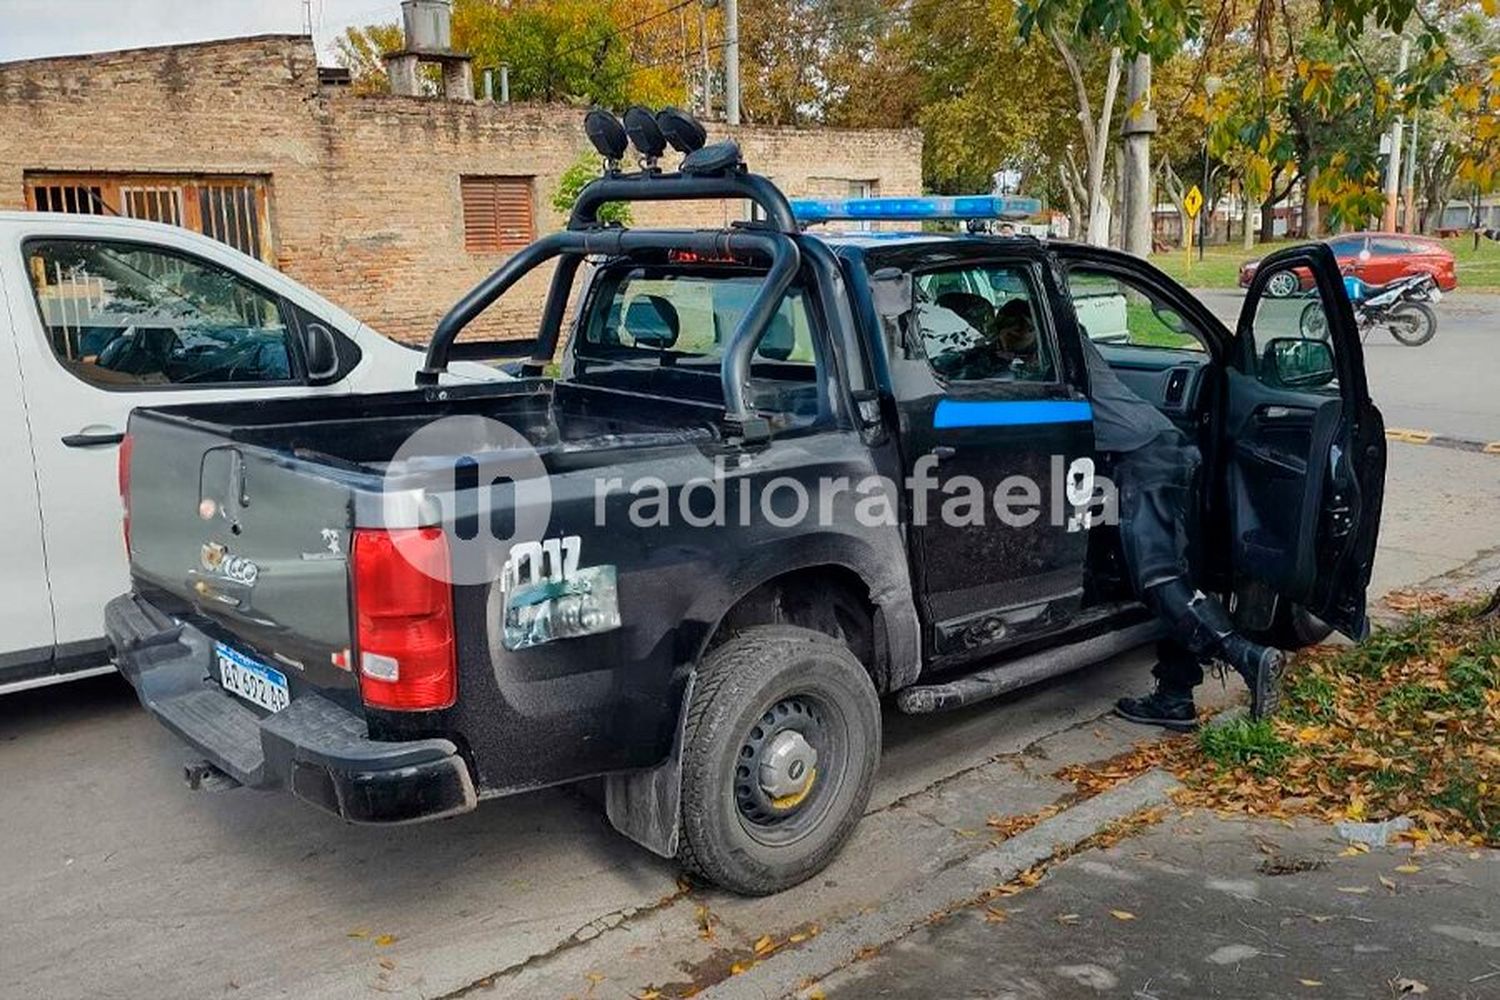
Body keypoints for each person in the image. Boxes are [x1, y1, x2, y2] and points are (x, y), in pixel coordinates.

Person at [1077, 330, 1285, 730]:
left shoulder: (1046, 338)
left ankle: (1247, 656)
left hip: (1142, 457)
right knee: (1176, 575)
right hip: (1160, 447)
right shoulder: (1065, 331)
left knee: (1158, 576)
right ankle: (1174, 696)